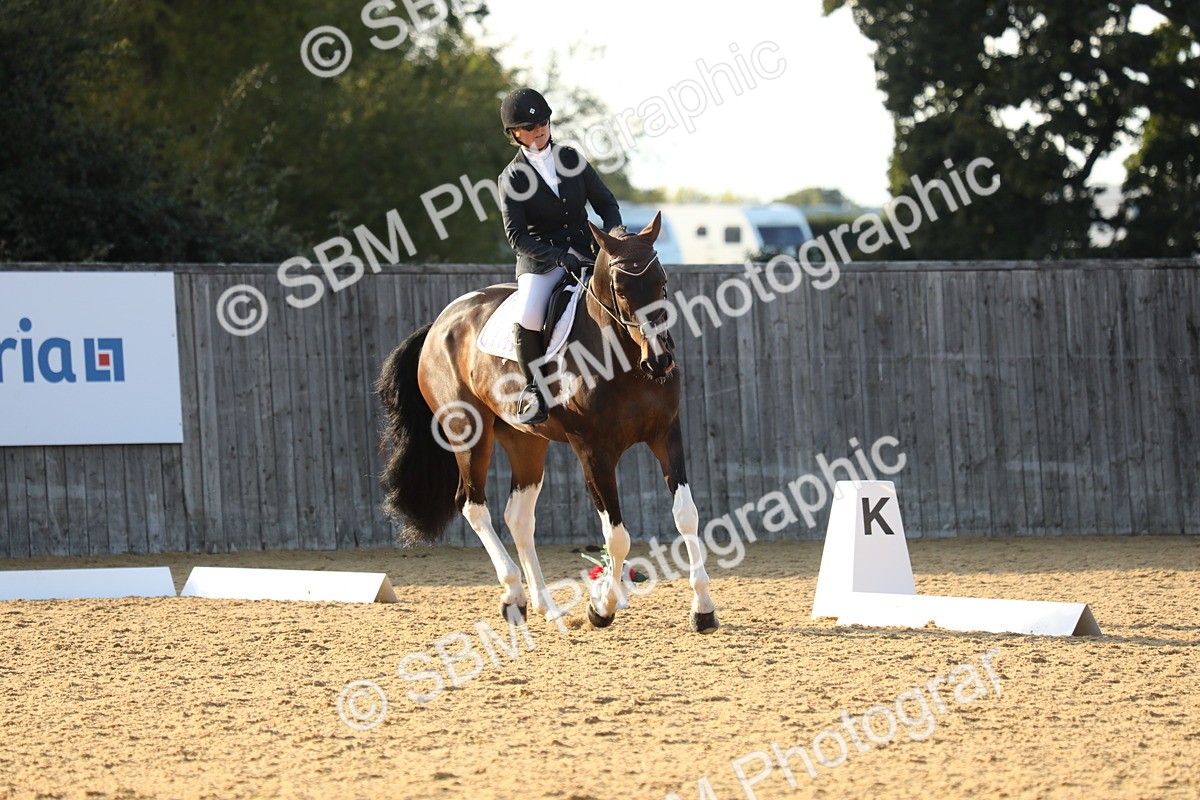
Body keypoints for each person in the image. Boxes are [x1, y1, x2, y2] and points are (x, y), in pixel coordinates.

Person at [497, 87, 624, 425]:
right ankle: (535, 391)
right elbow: (517, 236)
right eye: (530, 125)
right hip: (541, 261)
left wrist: (613, 238)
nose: (539, 128)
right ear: (514, 134)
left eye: (543, 121)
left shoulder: (571, 159)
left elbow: (607, 204)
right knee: (530, 315)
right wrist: (556, 257)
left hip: (587, 250)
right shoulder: (511, 177)